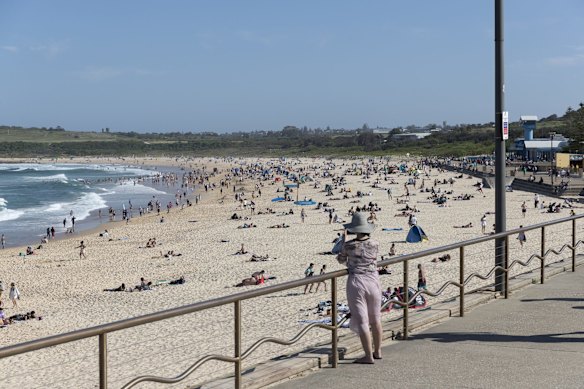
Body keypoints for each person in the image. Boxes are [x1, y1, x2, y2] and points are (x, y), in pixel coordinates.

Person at [337, 212, 382, 364]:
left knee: (363, 320)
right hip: (373, 280)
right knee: (375, 319)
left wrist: (344, 241)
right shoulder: (375, 244)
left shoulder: (349, 245)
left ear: (355, 229)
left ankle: (368, 356)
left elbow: (341, 260)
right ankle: (378, 351)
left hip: (356, 281)